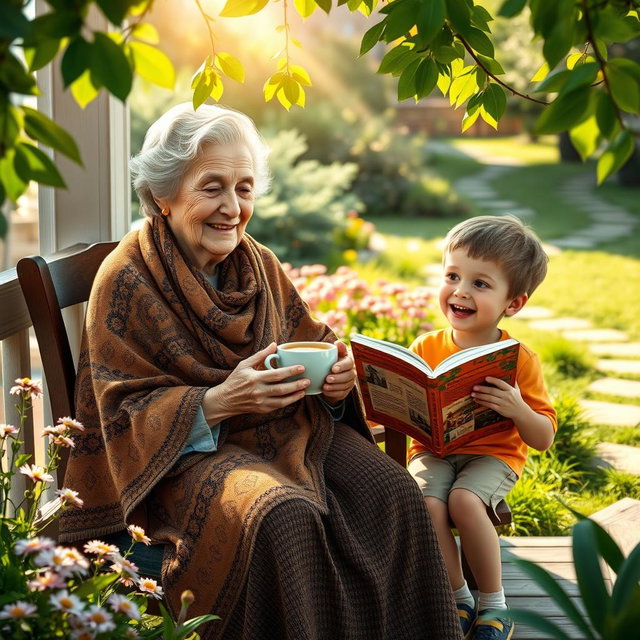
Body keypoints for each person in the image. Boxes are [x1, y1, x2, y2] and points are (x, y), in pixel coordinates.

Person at [58, 102, 462, 639]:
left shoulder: (257, 261)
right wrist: (222, 401)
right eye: (212, 187)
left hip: (288, 430)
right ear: (163, 195)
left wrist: (337, 385)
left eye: (244, 188)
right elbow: (122, 414)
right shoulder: (127, 278)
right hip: (179, 462)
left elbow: (314, 340)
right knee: (281, 517)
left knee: (394, 493)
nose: (232, 207)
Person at [406, 216, 557, 640]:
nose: (460, 291)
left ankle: (494, 603)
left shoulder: (517, 359)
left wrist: (516, 407)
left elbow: (542, 437)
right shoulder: (426, 346)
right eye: (452, 275)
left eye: (480, 284)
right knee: (428, 503)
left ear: (514, 303)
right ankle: (458, 598)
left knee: (465, 501)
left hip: (493, 456)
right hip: (432, 450)